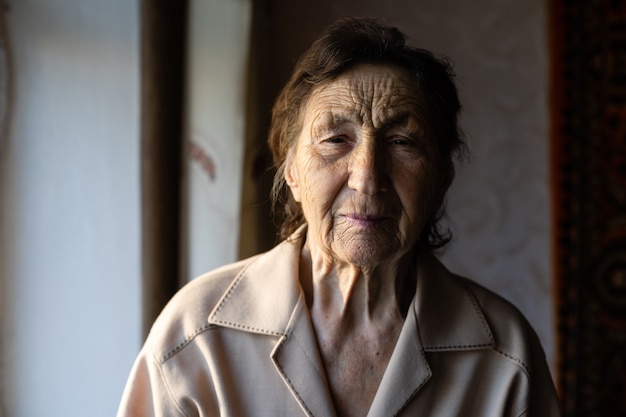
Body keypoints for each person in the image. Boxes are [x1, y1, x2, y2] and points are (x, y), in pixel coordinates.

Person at [117, 17, 561, 417]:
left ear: (441, 176)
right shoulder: (196, 337)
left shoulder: (504, 357)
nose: (367, 178)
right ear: (290, 170)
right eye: (335, 140)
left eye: (403, 142)